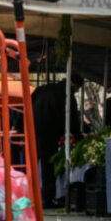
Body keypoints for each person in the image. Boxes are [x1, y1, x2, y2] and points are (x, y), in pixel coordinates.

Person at [31, 74, 84, 208]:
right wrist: (79, 137)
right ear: (75, 85)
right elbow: (73, 117)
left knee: (34, 165)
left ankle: (32, 196)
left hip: (34, 131)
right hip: (50, 133)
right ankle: (47, 199)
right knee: (48, 166)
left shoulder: (42, 89)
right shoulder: (66, 95)